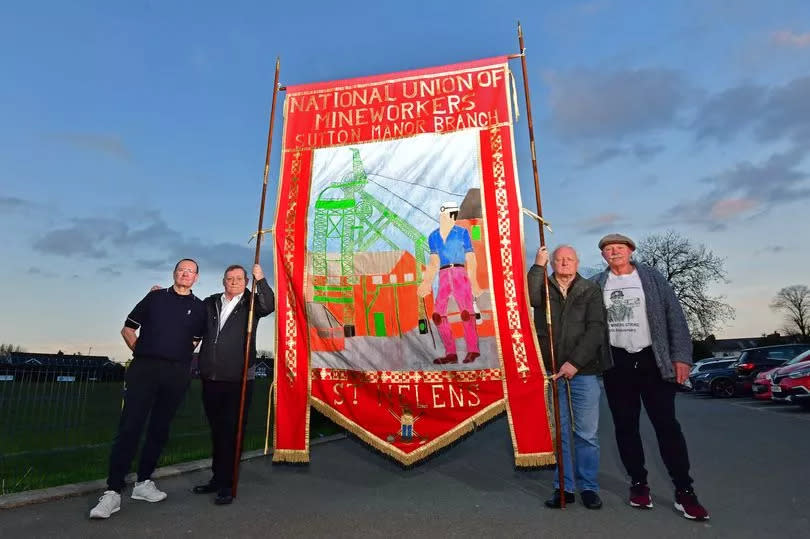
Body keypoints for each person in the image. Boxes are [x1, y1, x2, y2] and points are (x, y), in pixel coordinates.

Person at [592, 233, 709, 521]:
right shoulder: (598, 284)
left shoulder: (652, 278)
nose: (614, 252)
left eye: (619, 248)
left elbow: (675, 317)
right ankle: (638, 483)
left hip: (652, 360)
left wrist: (681, 356)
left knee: (666, 426)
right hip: (616, 362)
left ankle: (685, 491)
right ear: (603, 256)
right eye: (608, 249)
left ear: (631, 251)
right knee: (625, 426)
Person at [90, 259, 207, 519]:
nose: (185, 274)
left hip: (176, 374)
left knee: (160, 428)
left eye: (190, 272)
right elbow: (128, 328)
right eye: (181, 270)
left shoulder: (199, 308)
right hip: (144, 370)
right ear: (174, 273)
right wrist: (142, 352)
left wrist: (176, 357)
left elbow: (195, 340)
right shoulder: (154, 298)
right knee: (130, 426)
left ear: (196, 278)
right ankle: (112, 491)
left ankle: (143, 483)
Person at [528, 245, 610, 510]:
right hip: (552, 371)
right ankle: (564, 487)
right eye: (558, 259)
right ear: (552, 262)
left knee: (586, 433)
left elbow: (597, 329)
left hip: (582, 371)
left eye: (569, 259)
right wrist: (537, 266)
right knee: (560, 433)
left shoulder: (590, 289)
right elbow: (529, 298)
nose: (564, 262)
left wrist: (575, 362)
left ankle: (588, 487)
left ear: (577, 262)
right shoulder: (543, 286)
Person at [192, 263, 275, 505]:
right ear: (223, 281)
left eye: (240, 278)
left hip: (238, 378)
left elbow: (269, 305)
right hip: (211, 377)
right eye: (230, 278)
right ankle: (217, 478)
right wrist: (161, 293)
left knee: (232, 431)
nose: (234, 282)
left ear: (246, 281)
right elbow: (190, 314)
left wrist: (261, 281)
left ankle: (228, 484)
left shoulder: (251, 304)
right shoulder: (211, 302)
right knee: (218, 431)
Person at [417, 201, 482, 364]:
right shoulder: (433, 236)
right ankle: (450, 353)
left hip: (460, 273)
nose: (453, 218)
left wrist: (474, 281)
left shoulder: (462, 233)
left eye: (455, 215)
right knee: (438, 316)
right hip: (443, 274)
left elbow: (470, 257)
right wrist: (426, 283)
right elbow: (433, 262)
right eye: (450, 215)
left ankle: (473, 350)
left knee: (467, 313)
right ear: (443, 214)